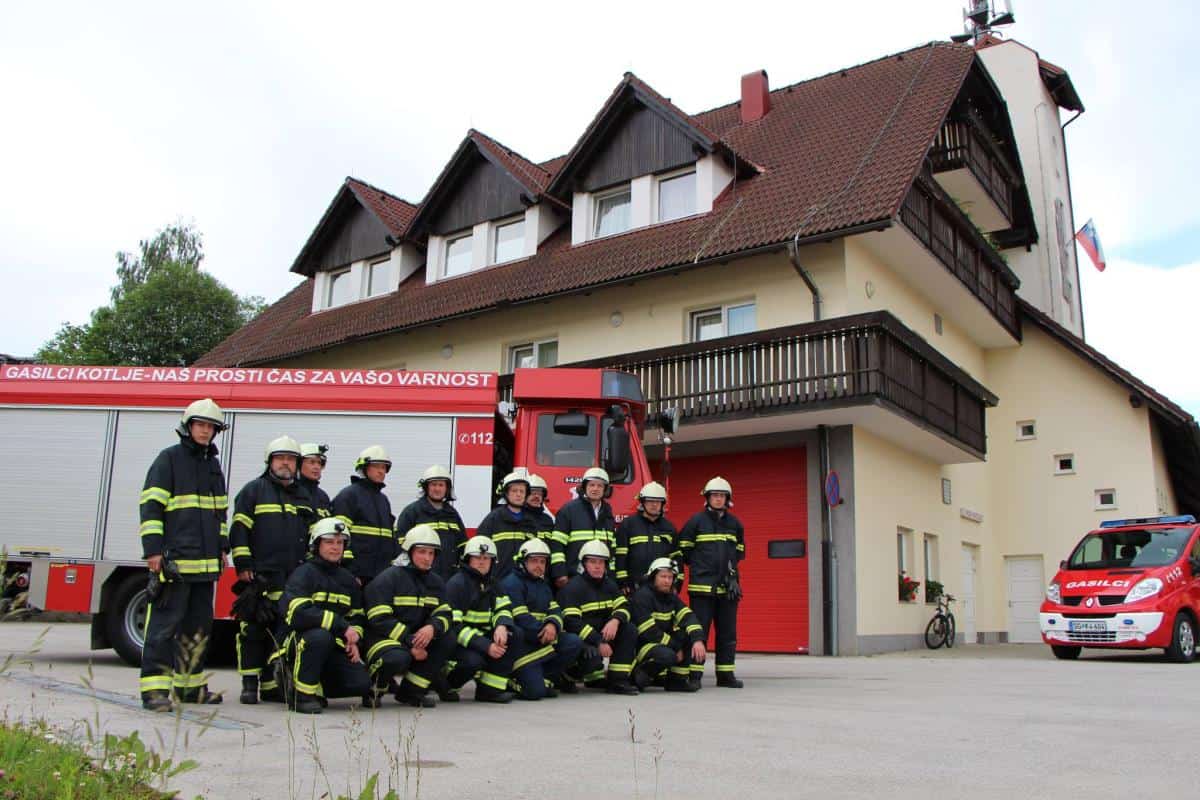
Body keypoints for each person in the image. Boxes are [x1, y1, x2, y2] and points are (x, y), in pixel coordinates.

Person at [138, 398, 229, 711]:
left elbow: (220, 513)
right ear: (188, 427)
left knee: (198, 630)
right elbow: (151, 507)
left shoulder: (212, 465)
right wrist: (152, 551)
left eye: (211, 427)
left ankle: (190, 689)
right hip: (175, 564)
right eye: (200, 425)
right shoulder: (169, 459)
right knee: (163, 628)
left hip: (205, 567)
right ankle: (154, 691)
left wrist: (222, 549)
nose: (205, 431)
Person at [229, 435, 310, 704]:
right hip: (260, 575)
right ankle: (249, 684)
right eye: (280, 458)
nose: (285, 463)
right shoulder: (254, 490)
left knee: (280, 629)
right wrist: (243, 565)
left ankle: (270, 683)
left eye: (290, 459)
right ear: (270, 462)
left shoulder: (304, 495)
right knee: (253, 630)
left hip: (291, 576)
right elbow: (239, 530)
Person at [277, 518, 370, 714]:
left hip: (333, 644)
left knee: (360, 684)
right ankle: (300, 694)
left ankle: (316, 685)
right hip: (298, 642)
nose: (335, 548)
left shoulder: (348, 580)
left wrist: (354, 638)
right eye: (329, 542)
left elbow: (357, 616)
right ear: (316, 544)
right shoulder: (304, 573)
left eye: (340, 543)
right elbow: (298, 613)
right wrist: (341, 626)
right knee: (319, 636)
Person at [361, 524, 456, 708]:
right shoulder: (388, 578)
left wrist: (432, 627)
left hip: (414, 638)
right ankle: (373, 690)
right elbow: (379, 620)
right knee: (396, 658)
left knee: (448, 638)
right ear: (409, 552)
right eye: (422, 552)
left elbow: (445, 613)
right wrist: (410, 642)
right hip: (382, 639)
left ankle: (411, 692)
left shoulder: (435, 582)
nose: (427, 558)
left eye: (431, 553)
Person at [677, 477, 745, 689]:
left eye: (721, 496)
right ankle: (695, 675)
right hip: (701, 590)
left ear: (727, 499)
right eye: (714, 495)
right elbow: (684, 552)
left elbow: (739, 554)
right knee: (699, 632)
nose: (718, 499)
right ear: (707, 498)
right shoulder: (695, 522)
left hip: (728, 589)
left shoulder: (735, 525)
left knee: (727, 633)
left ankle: (725, 675)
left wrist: (732, 576)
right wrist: (701, 567)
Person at [498, 539, 583, 700]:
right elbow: (521, 619)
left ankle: (543, 678)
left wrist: (553, 625)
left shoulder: (542, 584)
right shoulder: (511, 584)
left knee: (574, 642)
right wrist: (545, 632)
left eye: (542, 562)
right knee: (534, 693)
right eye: (534, 561)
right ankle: (512, 679)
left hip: (542, 640)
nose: (539, 565)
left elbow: (555, 610)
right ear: (523, 561)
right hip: (522, 647)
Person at [444, 535, 520, 703]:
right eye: (477, 557)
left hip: (483, 639)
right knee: (473, 661)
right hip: (460, 643)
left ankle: (489, 690)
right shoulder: (457, 585)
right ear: (467, 559)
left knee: (514, 634)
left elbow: (504, 609)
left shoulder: (494, 584)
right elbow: (455, 627)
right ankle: (447, 685)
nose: (482, 562)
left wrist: (502, 626)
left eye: (487, 558)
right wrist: (486, 646)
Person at [557, 541, 639, 695]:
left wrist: (615, 620)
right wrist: (598, 641)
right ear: (584, 564)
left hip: (601, 635)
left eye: (601, 562)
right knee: (591, 656)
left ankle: (618, 681)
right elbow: (572, 622)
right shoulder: (573, 588)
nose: (597, 566)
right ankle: (567, 677)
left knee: (629, 629)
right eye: (592, 562)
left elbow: (625, 606)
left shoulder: (610, 585)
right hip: (581, 640)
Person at [628, 558, 706, 692]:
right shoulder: (642, 596)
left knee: (687, 635)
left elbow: (688, 616)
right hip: (641, 646)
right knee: (667, 655)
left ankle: (677, 681)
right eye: (663, 576)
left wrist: (697, 639)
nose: (667, 581)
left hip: (662, 643)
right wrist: (676, 648)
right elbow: (649, 632)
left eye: (670, 577)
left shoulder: (671, 597)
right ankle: (638, 677)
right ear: (653, 577)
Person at [331, 445, 396, 585]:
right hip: (357, 575)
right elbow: (339, 535)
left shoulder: (384, 500)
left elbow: (390, 538)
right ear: (364, 468)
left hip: (381, 574)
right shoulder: (349, 496)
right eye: (376, 466)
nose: (381, 471)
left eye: (384, 467)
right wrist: (350, 571)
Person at [393, 464, 467, 581]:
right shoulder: (412, 512)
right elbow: (400, 546)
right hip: (419, 577)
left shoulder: (453, 514)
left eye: (441, 485)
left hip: (449, 577)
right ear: (426, 487)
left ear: (447, 489)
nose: (437, 489)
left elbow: (463, 546)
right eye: (433, 484)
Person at [550, 467, 616, 589]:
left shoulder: (607, 513)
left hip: (601, 577)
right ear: (585, 487)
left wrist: (611, 575)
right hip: (574, 576)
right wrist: (560, 573)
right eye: (591, 485)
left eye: (599, 486)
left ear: (605, 490)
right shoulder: (569, 510)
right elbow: (557, 544)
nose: (595, 489)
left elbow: (611, 548)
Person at [614, 481, 679, 592]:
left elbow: (676, 557)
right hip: (634, 586)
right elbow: (620, 556)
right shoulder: (628, 524)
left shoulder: (669, 528)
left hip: (661, 587)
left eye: (658, 501)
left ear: (663, 504)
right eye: (650, 501)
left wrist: (677, 583)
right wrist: (622, 581)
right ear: (642, 503)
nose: (654, 505)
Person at [475, 471, 539, 581]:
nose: (518, 494)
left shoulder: (530, 522)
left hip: (524, 581)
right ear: (506, 494)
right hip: (497, 580)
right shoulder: (493, 519)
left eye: (522, 491)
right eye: (514, 491)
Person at [295, 443, 332, 522]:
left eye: (319, 463)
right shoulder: (290, 491)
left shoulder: (323, 496)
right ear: (298, 464)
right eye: (312, 462)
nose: (317, 467)